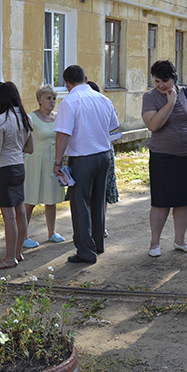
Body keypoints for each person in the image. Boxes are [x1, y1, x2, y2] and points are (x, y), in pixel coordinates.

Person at [141, 60, 187, 257]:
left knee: (184, 200)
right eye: (157, 81)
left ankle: (180, 240)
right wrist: (170, 103)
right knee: (161, 202)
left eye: (165, 81)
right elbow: (153, 125)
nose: (161, 85)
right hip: (163, 157)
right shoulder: (150, 97)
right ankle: (155, 243)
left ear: (174, 78)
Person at [53, 65, 120, 264]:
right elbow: (113, 126)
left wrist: (57, 162)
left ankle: (85, 250)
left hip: (83, 159)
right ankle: (97, 244)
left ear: (67, 84)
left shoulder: (69, 101)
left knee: (80, 204)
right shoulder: (103, 99)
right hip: (103, 156)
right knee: (98, 201)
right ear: (86, 78)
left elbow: (63, 134)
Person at [0, 81, 34, 270]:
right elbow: (30, 148)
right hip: (19, 167)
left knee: (8, 217)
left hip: (4, 169)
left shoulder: (1, 119)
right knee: (20, 212)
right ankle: (17, 253)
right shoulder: (25, 118)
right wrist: (15, 147)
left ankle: (9, 258)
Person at [23, 85, 66, 248]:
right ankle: (24, 235)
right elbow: (23, 138)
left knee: (51, 198)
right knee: (30, 199)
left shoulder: (58, 117)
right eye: (48, 98)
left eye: (54, 98)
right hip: (35, 162)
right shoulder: (30, 117)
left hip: (53, 161)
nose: (52, 101)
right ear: (40, 99)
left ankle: (51, 232)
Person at [87, 81, 117, 238]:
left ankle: (100, 226)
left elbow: (113, 127)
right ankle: (90, 227)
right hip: (97, 152)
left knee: (102, 191)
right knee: (91, 192)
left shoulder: (103, 104)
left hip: (102, 151)